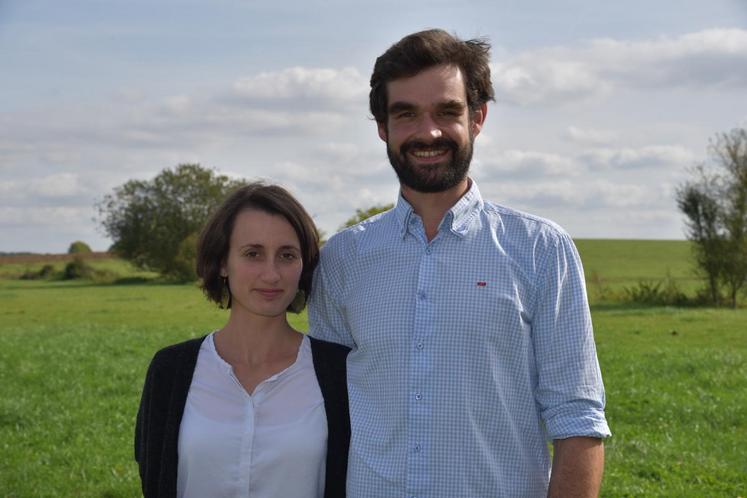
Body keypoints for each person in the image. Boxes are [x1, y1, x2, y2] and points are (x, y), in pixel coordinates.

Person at [309, 29, 611, 497]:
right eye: (405, 113)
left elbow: (577, 418)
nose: (427, 132)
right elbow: (324, 416)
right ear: (382, 128)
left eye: (447, 111)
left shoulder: (541, 249)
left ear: (478, 117)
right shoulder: (343, 259)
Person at [135, 183, 350, 498]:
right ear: (223, 262)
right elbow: (153, 478)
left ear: (303, 265)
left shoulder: (339, 371)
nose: (272, 274)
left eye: (287, 255)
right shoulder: (170, 371)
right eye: (253, 254)